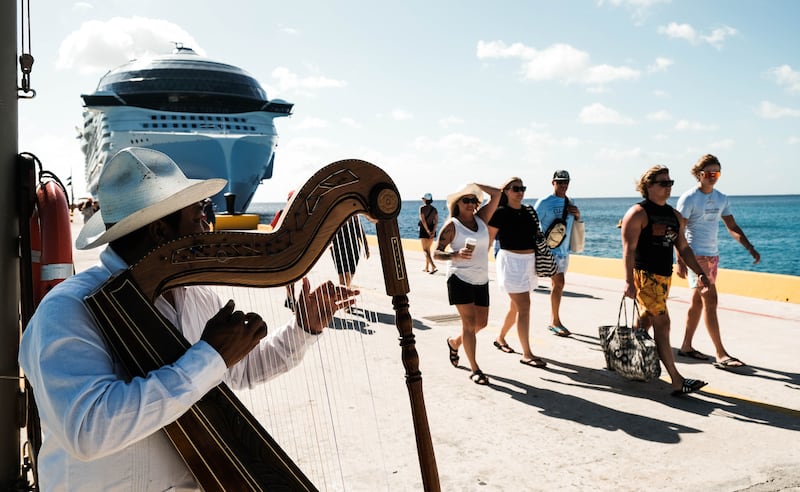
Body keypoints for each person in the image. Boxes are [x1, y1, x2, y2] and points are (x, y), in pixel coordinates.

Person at [18, 147, 358, 491]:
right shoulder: (68, 310)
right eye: (198, 216)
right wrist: (209, 356)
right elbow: (89, 431)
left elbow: (240, 371)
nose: (207, 228)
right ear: (160, 231)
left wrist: (304, 328)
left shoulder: (194, 295)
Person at [621, 164, 709, 396]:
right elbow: (628, 251)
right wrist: (629, 281)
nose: (668, 187)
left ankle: (631, 361)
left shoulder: (674, 216)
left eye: (670, 183)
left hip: (664, 277)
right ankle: (676, 379)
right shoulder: (638, 213)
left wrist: (699, 272)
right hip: (645, 276)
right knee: (663, 323)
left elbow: (683, 247)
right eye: (663, 183)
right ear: (649, 186)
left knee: (646, 319)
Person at [675, 154, 760, 369]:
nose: (714, 177)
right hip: (695, 256)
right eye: (710, 173)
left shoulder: (721, 198)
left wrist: (749, 247)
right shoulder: (689, 198)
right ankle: (721, 354)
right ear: (700, 174)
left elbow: (732, 226)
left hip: (713, 256)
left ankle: (686, 346)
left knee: (697, 302)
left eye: (717, 173)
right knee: (710, 301)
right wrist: (680, 260)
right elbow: (679, 231)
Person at [434, 183, 500, 384]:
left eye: (474, 200)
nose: (471, 204)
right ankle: (475, 369)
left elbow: (497, 193)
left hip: (481, 279)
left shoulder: (481, 219)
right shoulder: (452, 225)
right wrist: (455, 254)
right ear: (457, 203)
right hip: (459, 278)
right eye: (466, 200)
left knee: (481, 323)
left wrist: (474, 184)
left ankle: (454, 342)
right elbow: (436, 253)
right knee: (469, 324)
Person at [487, 177, 548, 368]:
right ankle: (527, 354)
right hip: (511, 262)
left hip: (528, 262)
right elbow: (488, 240)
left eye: (523, 188)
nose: (520, 192)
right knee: (524, 307)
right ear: (506, 191)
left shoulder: (528, 211)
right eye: (515, 188)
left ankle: (500, 338)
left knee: (516, 307)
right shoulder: (500, 212)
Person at [534, 170, 582, 337]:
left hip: (564, 251)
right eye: (560, 181)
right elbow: (533, 222)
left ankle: (553, 319)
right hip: (549, 250)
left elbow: (574, 224)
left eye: (566, 182)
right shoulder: (544, 202)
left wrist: (577, 215)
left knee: (558, 285)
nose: (563, 185)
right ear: (552, 182)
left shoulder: (570, 201)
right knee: (559, 282)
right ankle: (555, 321)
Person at [331, 215, 370, 287]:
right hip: (339, 248)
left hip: (353, 250)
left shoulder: (355, 218)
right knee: (342, 274)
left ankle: (345, 290)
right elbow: (329, 233)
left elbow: (361, 233)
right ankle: (344, 291)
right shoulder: (335, 218)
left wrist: (366, 249)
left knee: (349, 274)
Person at [419, 193, 439, 273]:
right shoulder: (434, 209)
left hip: (424, 230)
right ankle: (427, 267)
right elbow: (436, 221)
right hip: (432, 229)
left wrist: (427, 231)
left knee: (425, 250)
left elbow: (423, 221)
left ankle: (433, 266)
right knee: (428, 250)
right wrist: (433, 232)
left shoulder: (422, 208)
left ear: (425, 200)